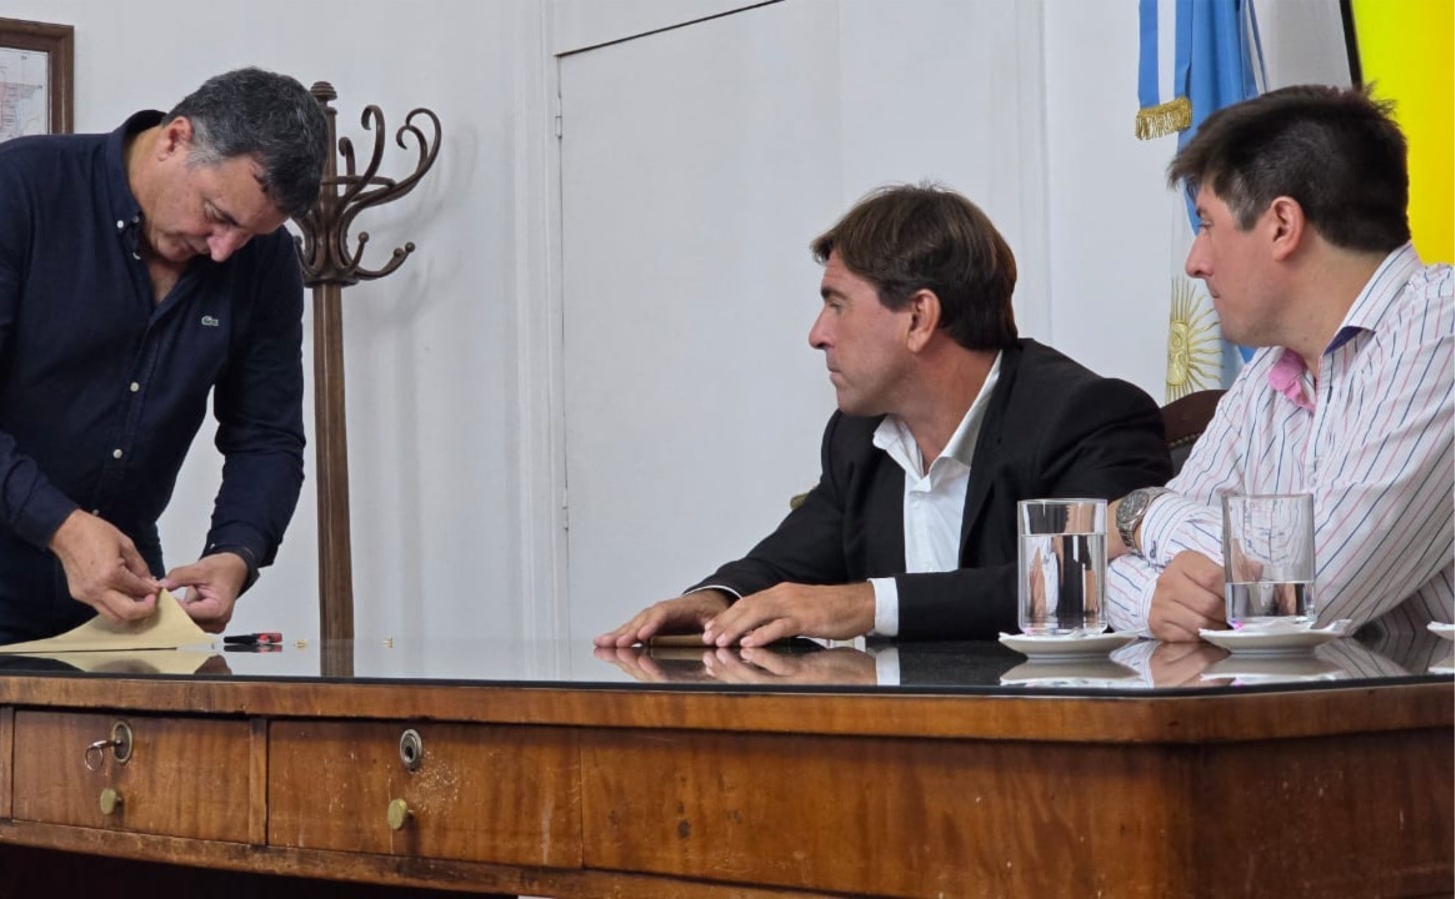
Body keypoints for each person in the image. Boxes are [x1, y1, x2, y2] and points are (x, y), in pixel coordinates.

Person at [0, 67, 329, 654]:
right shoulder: (12, 188)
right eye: (218, 215)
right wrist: (62, 527)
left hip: (120, 554)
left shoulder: (263, 261)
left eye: (249, 235)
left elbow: (267, 436)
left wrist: (236, 552)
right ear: (175, 139)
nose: (224, 251)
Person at [597, 184, 1172, 648]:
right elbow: (791, 560)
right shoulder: (859, 436)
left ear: (918, 318)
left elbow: (1072, 586)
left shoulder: (1084, 418)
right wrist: (718, 600)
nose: (817, 335)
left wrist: (866, 604)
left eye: (837, 305)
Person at [1106, 85, 1453, 646]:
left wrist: (1140, 515)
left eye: (1206, 225)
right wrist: (1152, 599)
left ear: (1282, 226)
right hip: (1333, 698)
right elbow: (1106, 582)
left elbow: (1302, 593)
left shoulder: (1442, 327)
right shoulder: (1271, 370)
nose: (1195, 262)